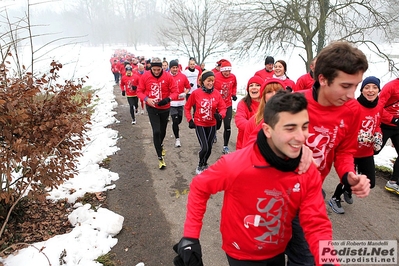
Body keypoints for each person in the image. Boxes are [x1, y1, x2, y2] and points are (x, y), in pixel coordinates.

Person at [173, 90, 334, 266]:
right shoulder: (235, 164)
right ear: (268, 130)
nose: (301, 136)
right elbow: (199, 186)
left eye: (304, 127)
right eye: (290, 128)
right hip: (241, 255)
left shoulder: (306, 168)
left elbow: (317, 221)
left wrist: (327, 259)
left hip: (277, 251)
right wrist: (190, 237)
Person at [285, 41, 371, 266]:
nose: (352, 94)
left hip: (310, 194)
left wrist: (348, 176)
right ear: (322, 79)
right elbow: (259, 148)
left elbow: (344, 151)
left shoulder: (352, 110)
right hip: (277, 193)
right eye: (345, 86)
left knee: (312, 257)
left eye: (356, 85)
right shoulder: (294, 104)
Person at [329, 76, 392, 214]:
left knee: (371, 183)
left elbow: (377, 125)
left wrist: (378, 135)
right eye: (367, 87)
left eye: (374, 87)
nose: (371, 90)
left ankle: (348, 190)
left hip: (366, 152)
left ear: (378, 90)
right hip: (350, 151)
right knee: (348, 177)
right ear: (361, 90)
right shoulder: (354, 106)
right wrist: (359, 135)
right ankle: (335, 198)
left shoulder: (379, 106)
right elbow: (343, 127)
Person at [137, 57, 178, 169]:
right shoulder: (145, 76)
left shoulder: (168, 76)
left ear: (162, 68)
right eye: (154, 69)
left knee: (163, 131)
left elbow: (175, 91)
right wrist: (147, 99)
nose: (156, 72)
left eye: (158, 69)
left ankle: (160, 144)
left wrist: (168, 99)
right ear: (151, 68)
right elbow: (139, 91)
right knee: (156, 131)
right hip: (152, 108)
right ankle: (160, 157)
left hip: (165, 108)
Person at [184, 70, 226, 174]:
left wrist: (220, 115)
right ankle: (200, 164)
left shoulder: (216, 94)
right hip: (200, 124)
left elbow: (223, 108)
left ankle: (205, 163)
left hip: (212, 124)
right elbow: (187, 107)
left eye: (212, 81)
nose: (211, 83)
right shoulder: (196, 93)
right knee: (205, 147)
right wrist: (190, 120)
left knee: (210, 148)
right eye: (208, 81)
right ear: (203, 81)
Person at [242, 78, 287, 147]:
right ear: (263, 97)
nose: (274, 95)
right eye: (269, 92)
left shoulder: (294, 119)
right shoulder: (253, 121)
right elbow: (246, 150)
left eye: (278, 91)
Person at [375, 77, 399, 193]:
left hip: (398, 127)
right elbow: (378, 105)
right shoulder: (391, 86)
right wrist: (392, 119)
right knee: (374, 150)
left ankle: (393, 182)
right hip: (385, 124)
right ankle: (353, 163)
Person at [214, 60, 238, 154]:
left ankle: (225, 146)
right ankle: (214, 133)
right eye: (225, 71)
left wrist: (234, 94)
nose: (227, 73)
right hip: (218, 105)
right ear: (221, 70)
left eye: (229, 71)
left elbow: (234, 86)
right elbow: (210, 87)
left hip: (228, 104)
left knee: (227, 126)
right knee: (218, 124)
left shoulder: (233, 77)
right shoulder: (216, 77)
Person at [235, 75, 264, 150]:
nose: (254, 87)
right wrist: (258, 129)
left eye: (257, 85)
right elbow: (239, 120)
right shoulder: (243, 103)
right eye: (251, 85)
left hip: (262, 145)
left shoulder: (268, 103)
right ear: (248, 89)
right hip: (244, 145)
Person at [169, 60, 191, 147]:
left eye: (176, 67)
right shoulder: (167, 76)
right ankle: (177, 139)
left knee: (179, 120)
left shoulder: (183, 76)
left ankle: (175, 127)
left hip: (181, 103)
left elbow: (188, 87)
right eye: (173, 68)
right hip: (171, 103)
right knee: (175, 120)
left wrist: (185, 93)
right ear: (170, 68)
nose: (175, 69)